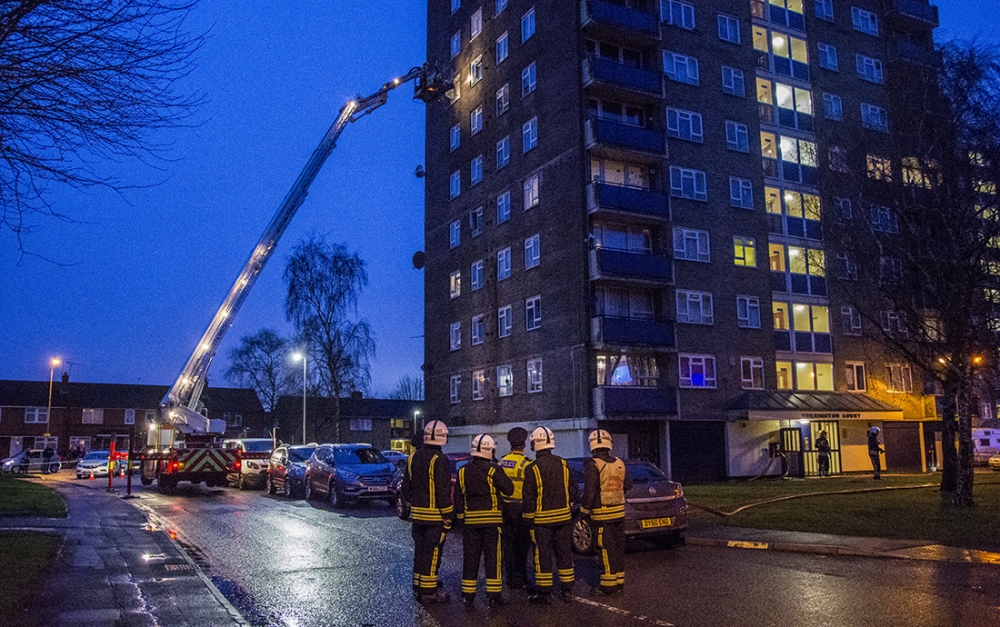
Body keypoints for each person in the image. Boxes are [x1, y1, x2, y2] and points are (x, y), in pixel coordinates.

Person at [454, 434, 514, 608]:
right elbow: (509, 489)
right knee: (493, 559)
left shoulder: (463, 471)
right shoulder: (493, 470)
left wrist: (461, 519)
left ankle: (468, 596)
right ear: (490, 450)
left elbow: (458, 497)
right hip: (492, 523)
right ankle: (494, 595)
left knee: (470, 558)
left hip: (471, 523)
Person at [522, 426, 578, 605]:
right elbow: (573, 488)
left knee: (542, 555)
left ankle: (544, 593)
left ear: (535, 444)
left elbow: (529, 497)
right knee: (564, 553)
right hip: (563, 519)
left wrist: (528, 519)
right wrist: (567, 505)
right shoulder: (563, 463)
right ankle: (567, 590)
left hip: (542, 522)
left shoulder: (532, 468)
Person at [401, 420, 453, 603]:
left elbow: (405, 488)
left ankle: (418, 585)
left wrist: (413, 504)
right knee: (432, 553)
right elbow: (443, 490)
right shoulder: (440, 460)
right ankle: (429, 592)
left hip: (417, 517)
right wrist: (448, 514)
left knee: (420, 551)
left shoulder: (412, 458)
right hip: (434, 518)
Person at [580, 429, 632, 596]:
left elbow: (590, 490)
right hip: (619, 513)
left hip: (602, 516)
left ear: (592, 446)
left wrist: (583, 511)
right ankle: (619, 582)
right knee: (617, 549)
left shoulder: (593, 464)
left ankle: (608, 586)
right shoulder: (619, 463)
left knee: (604, 549)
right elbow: (628, 485)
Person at [499, 426, 532, 590]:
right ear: (524, 444)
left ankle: (510, 578)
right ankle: (521, 577)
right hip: (520, 509)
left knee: (508, 545)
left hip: (505, 508)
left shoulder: (502, 461)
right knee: (522, 546)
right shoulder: (527, 464)